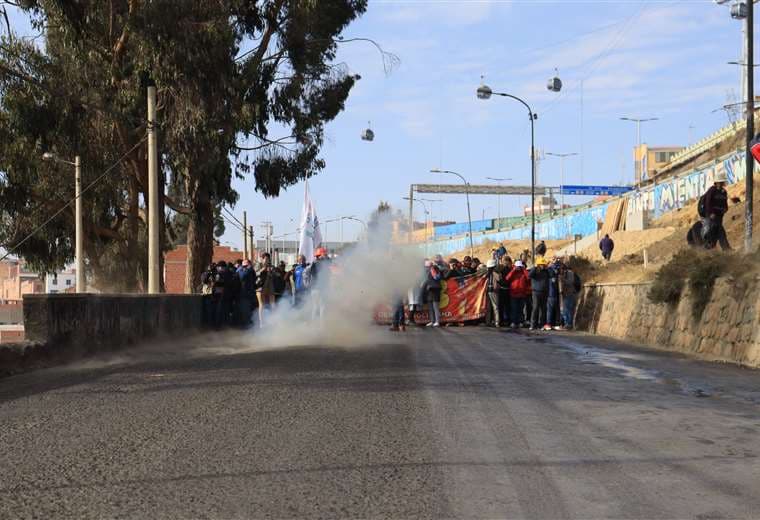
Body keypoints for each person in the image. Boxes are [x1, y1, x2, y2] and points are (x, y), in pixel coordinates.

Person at [702, 171, 731, 250]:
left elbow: (725, 203)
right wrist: (711, 213)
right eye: (721, 182)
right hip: (711, 216)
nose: (722, 184)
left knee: (716, 233)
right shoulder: (712, 190)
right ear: (717, 182)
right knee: (718, 231)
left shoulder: (724, 192)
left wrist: (725, 209)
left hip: (719, 216)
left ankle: (711, 248)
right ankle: (726, 248)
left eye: (723, 182)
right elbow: (708, 203)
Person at [504, 260, 530, 329]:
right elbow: (507, 278)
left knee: (521, 309)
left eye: (519, 266)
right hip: (513, 294)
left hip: (522, 294)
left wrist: (524, 269)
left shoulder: (524, 273)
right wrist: (513, 270)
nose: (518, 268)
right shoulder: (513, 272)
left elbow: (528, 277)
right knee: (514, 309)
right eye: (517, 266)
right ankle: (514, 322)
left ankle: (521, 322)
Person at [529, 256, 550, 331]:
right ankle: (533, 325)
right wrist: (534, 267)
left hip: (544, 292)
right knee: (535, 308)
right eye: (542, 264)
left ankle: (542, 324)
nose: (543, 266)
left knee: (543, 309)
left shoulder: (546, 271)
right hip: (536, 292)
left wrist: (548, 268)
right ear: (538, 264)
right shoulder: (534, 271)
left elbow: (551, 275)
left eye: (544, 265)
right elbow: (529, 275)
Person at [310, 247, 331, 322]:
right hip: (321, 288)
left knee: (315, 307)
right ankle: (322, 326)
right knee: (322, 307)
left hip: (314, 289)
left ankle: (313, 324)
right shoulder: (323, 264)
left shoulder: (313, 264)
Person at [255, 253, 275, 328]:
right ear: (262, 259)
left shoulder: (270, 266)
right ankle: (261, 323)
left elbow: (274, 275)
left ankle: (273, 321)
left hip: (269, 286)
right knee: (261, 305)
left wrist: (271, 271)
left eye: (268, 259)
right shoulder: (258, 265)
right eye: (265, 259)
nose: (267, 260)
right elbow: (255, 273)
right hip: (260, 287)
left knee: (273, 304)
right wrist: (263, 269)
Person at [558, 263, 580, 330]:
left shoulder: (570, 273)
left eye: (561, 270)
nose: (560, 271)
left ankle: (569, 324)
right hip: (565, 294)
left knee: (569, 309)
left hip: (570, 293)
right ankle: (566, 323)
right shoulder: (563, 274)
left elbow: (570, 282)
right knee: (565, 310)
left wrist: (562, 279)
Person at [236, 259, 256, 327]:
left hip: (249, 293)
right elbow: (242, 277)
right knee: (245, 310)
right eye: (246, 265)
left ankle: (248, 324)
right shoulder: (240, 270)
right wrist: (246, 269)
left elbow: (254, 278)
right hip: (243, 293)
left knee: (248, 310)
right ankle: (245, 325)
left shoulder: (250, 270)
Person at [423, 262, 443, 327]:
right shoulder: (427, 272)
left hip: (435, 290)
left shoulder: (434, 269)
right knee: (430, 307)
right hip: (429, 290)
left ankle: (437, 321)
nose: (426, 267)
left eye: (427, 266)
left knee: (435, 307)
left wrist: (433, 271)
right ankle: (432, 321)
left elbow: (437, 277)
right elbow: (426, 280)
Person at [546, 257, 562, 330]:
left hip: (552, 293)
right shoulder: (555, 269)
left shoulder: (551, 270)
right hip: (555, 292)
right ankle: (555, 323)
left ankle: (550, 323)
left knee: (551, 309)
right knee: (555, 308)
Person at [496, 255, 513, 325]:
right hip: (502, 289)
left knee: (507, 306)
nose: (505, 262)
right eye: (504, 261)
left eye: (506, 261)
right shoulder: (500, 268)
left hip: (508, 289)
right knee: (501, 306)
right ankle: (501, 320)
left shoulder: (510, 269)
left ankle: (507, 320)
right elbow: (496, 273)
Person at [485, 259, 501, 327]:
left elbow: (499, 279)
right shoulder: (490, 273)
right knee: (492, 307)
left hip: (491, 291)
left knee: (492, 307)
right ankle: (492, 322)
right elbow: (499, 279)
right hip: (491, 291)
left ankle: (493, 322)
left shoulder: (492, 273)